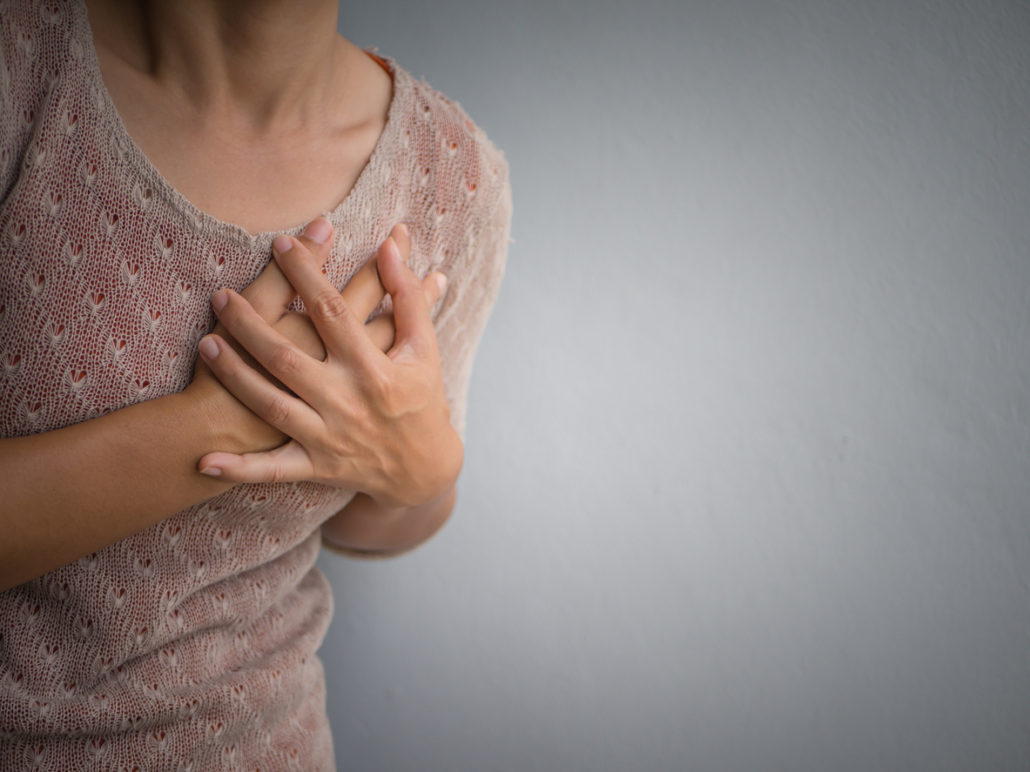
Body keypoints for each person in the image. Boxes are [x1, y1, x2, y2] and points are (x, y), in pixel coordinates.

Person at [0, 0, 512, 767]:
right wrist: (228, 423)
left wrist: (424, 473)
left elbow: (364, 523)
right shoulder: (23, 67)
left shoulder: (455, 173)